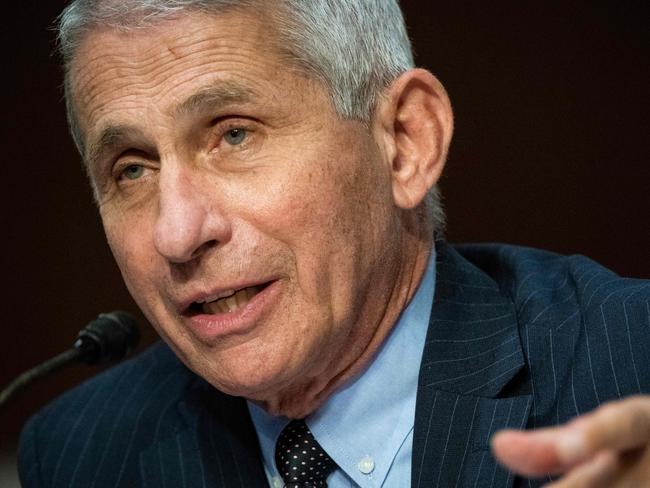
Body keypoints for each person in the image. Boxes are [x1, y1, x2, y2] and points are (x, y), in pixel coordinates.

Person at [18, 1, 650, 487]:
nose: (178, 233)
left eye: (234, 135)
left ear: (406, 142)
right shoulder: (82, 451)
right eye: (132, 168)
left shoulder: (628, 365)